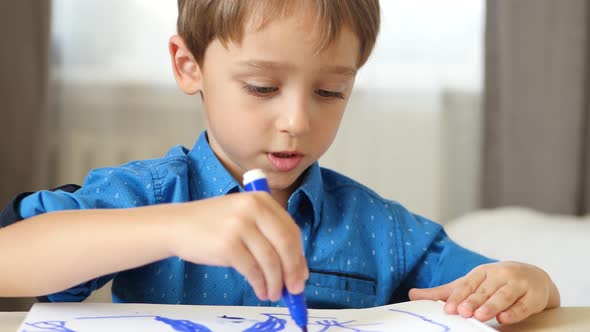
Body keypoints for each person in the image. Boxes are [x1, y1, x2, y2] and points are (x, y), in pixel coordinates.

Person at [0, 0, 559, 324]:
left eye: (330, 92)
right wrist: (172, 228)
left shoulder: (381, 228)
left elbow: (492, 287)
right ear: (188, 65)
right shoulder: (148, 195)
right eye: (263, 86)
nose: (296, 120)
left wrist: (529, 282)